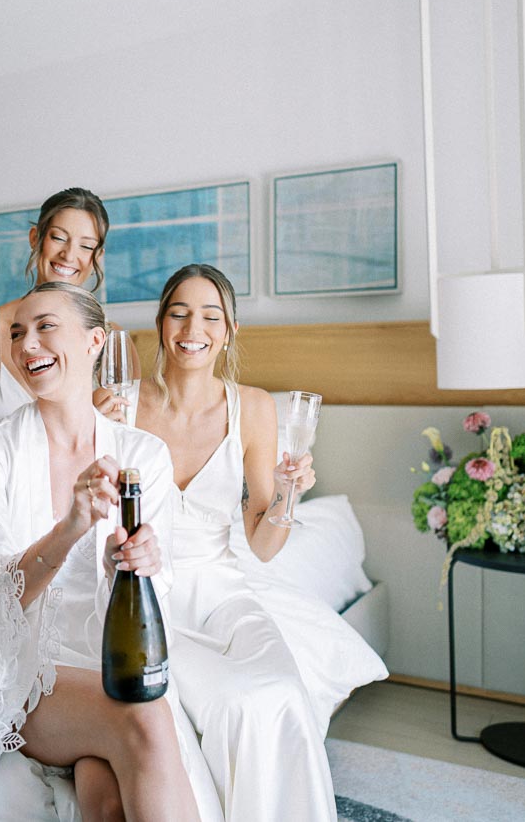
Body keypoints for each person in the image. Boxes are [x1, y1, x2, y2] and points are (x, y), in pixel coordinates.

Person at [0, 281, 223, 822]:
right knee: (146, 721)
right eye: (16, 334)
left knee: (104, 796)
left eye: (45, 328)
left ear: (94, 341)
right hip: (22, 667)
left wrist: (131, 566)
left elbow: (156, 593)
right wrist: (71, 527)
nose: (27, 346)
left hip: (111, 659)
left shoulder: (143, 455)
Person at [133, 263, 386, 819]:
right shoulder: (120, 403)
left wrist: (289, 497)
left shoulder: (255, 408)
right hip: (144, 595)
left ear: (229, 331)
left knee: (280, 692)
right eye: (178, 312)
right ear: (159, 323)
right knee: (225, 701)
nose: (191, 328)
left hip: (222, 593)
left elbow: (264, 544)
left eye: (209, 316)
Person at [0, 188, 109, 433]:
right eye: (58, 238)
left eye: (86, 246)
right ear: (35, 238)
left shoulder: (108, 340)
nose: (69, 255)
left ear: (97, 257)